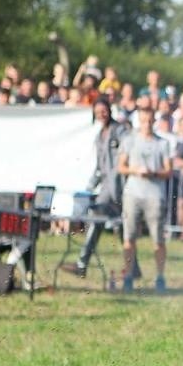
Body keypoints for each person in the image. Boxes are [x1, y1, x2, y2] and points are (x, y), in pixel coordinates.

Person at [63, 99, 127, 278]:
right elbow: (100, 167)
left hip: (120, 187)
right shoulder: (100, 135)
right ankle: (132, 267)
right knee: (113, 225)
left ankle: (82, 264)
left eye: (104, 110)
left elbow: (127, 154)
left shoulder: (120, 131)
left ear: (109, 110)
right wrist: (89, 186)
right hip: (106, 187)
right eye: (98, 111)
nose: (101, 114)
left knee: (110, 223)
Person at [118, 105, 172, 291]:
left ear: (154, 121)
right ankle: (128, 275)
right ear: (138, 121)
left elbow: (168, 170)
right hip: (133, 193)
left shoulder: (162, 143)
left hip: (154, 195)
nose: (146, 124)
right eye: (143, 121)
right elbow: (121, 167)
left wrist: (154, 172)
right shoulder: (129, 140)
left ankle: (160, 276)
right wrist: (136, 170)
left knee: (158, 239)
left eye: (149, 121)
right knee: (129, 237)